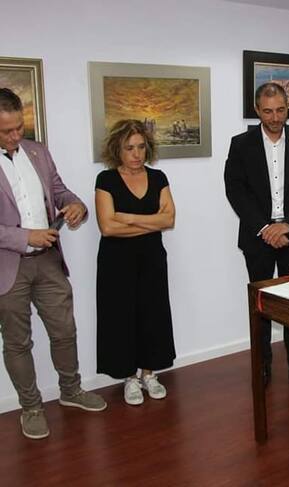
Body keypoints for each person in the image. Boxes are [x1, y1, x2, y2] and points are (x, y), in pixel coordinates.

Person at [0, 88, 106, 439]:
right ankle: (31, 407)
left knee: (64, 330)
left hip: (48, 261)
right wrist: (25, 236)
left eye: (19, 127)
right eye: (7, 131)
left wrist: (76, 205)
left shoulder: (38, 151)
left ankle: (71, 391)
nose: (16, 136)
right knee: (17, 342)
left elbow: (59, 191)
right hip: (8, 268)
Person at [224, 82, 289, 394]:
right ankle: (262, 364)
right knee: (262, 305)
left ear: (287, 108)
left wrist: (288, 224)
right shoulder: (241, 144)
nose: (275, 117)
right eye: (268, 111)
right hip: (258, 238)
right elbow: (235, 190)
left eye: (280, 110)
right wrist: (265, 228)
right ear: (257, 110)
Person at [95, 119, 176, 406]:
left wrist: (127, 217)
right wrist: (150, 222)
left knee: (152, 315)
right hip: (116, 261)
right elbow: (108, 227)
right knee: (121, 317)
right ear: (117, 149)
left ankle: (149, 374)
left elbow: (169, 219)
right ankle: (129, 378)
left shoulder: (158, 178)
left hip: (152, 258)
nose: (136, 154)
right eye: (129, 148)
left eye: (141, 147)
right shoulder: (106, 180)